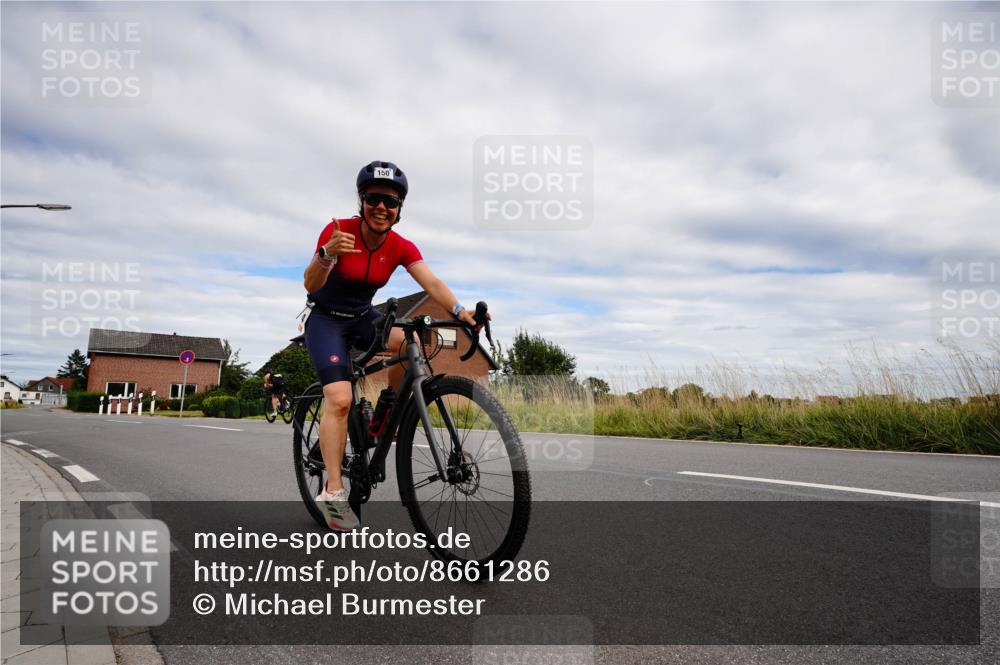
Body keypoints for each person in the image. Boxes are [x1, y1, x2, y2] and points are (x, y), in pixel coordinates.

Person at [302, 160, 481, 531]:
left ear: (399, 210)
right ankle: (334, 492)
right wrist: (326, 254)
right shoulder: (339, 231)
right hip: (326, 320)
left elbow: (431, 283)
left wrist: (460, 311)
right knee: (339, 399)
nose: (382, 207)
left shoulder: (400, 246)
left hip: (363, 316)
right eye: (374, 199)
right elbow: (311, 284)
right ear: (362, 201)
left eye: (391, 201)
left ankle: (386, 413)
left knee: (410, 341)